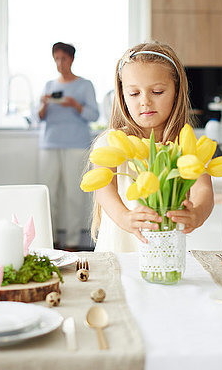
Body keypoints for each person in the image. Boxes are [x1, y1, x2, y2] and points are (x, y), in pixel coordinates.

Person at [91, 42, 214, 252]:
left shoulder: (184, 142)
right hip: (120, 251)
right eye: (134, 93)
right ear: (122, 95)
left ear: (176, 92)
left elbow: (203, 188)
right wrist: (125, 217)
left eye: (157, 92)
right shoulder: (112, 142)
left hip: (168, 251)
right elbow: (103, 188)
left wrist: (197, 214)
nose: (145, 101)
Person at [36, 42, 99, 250]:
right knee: (48, 194)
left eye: (63, 58)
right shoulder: (49, 86)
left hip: (75, 145)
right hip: (50, 145)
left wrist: (74, 104)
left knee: (73, 194)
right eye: (56, 59)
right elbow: (38, 118)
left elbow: (94, 115)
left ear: (71, 59)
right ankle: (49, 240)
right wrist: (44, 104)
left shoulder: (85, 85)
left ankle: (72, 242)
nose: (59, 63)